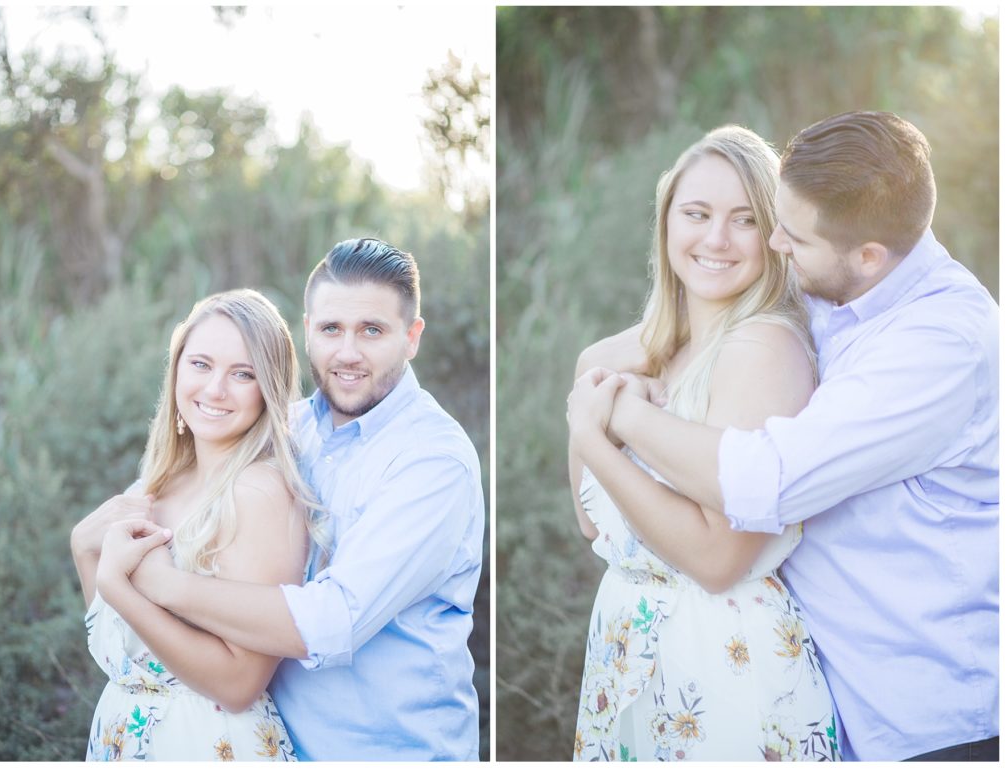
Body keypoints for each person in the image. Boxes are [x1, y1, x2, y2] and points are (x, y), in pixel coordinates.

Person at [579, 111, 999, 761]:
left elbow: (765, 481)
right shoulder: (836, 287)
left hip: (925, 714)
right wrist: (606, 368)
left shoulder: (939, 343)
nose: (775, 243)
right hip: (828, 687)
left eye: (785, 232)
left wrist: (614, 417)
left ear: (867, 255)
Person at [109, 238, 486, 761]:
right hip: (268, 747)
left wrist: (161, 583)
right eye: (332, 329)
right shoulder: (288, 428)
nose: (348, 352)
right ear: (308, 330)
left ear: (412, 336)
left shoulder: (432, 462)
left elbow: (334, 620)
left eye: (372, 330)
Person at [567, 126, 839, 762]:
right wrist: (597, 402)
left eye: (745, 219)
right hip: (625, 642)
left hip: (724, 662)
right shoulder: (611, 357)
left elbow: (719, 560)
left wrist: (596, 431)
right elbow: (593, 526)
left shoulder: (765, 349)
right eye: (697, 213)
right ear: (667, 222)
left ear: (774, 235)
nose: (716, 239)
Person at [71, 288, 325, 761]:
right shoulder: (152, 484)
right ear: (176, 368)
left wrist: (119, 584)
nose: (214, 390)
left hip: (208, 747)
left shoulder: (259, 493)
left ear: (267, 388)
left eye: (242, 374)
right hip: (122, 738)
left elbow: (239, 684)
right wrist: (84, 550)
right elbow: (120, 655)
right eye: (201, 364)